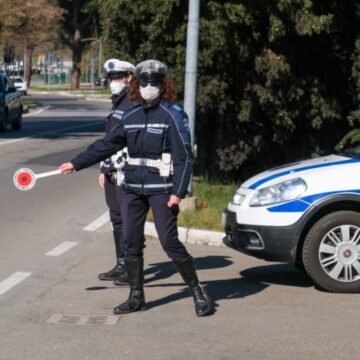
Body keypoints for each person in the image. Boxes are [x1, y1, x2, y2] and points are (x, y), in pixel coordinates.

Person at [59, 59, 212, 317]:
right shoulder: (130, 116)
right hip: (132, 188)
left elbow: (184, 157)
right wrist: (76, 163)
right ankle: (136, 296)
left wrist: (179, 191)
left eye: (154, 82)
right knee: (130, 241)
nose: (149, 87)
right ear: (137, 85)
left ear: (163, 85)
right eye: (144, 82)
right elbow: (106, 145)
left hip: (161, 188)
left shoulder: (172, 115)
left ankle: (197, 290)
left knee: (169, 241)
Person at [97, 59, 135, 285]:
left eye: (117, 77)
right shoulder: (118, 102)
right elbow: (110, 142)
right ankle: (121, 263)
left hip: (127, 172)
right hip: (113, 171)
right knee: (117, 218)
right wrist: (104, 168)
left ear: (129, 78)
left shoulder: (132, 103)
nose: (113, 82)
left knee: (129, 219)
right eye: (111, 78)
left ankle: (131, 269)